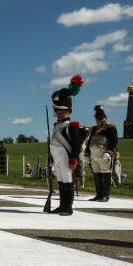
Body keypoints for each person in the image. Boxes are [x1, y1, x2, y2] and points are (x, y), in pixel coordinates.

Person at [48, 75, 84, 216]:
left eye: (60, 111)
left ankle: (68, 207)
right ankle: (62, 205)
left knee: (67, 180)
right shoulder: (57, 125)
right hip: (57, 157)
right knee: (61, 180)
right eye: (56, 111)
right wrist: (51, 158)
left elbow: (76, 143)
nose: (57, 113)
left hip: (66, 157)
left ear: (68, 111)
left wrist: (74, 158)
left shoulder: (72, 126)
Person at [87, 105, 118, 202]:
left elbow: (114, 141)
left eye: (100, 117)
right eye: (98, 117)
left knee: (105, 174)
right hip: (94, 155)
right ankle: (99, 194)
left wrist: (109, 152)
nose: (99, 119)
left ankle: (105, 195)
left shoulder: (110, 128)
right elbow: (89, 141)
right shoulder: (94, 129)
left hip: (104, 154)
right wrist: (87, 153)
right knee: (97, 174)